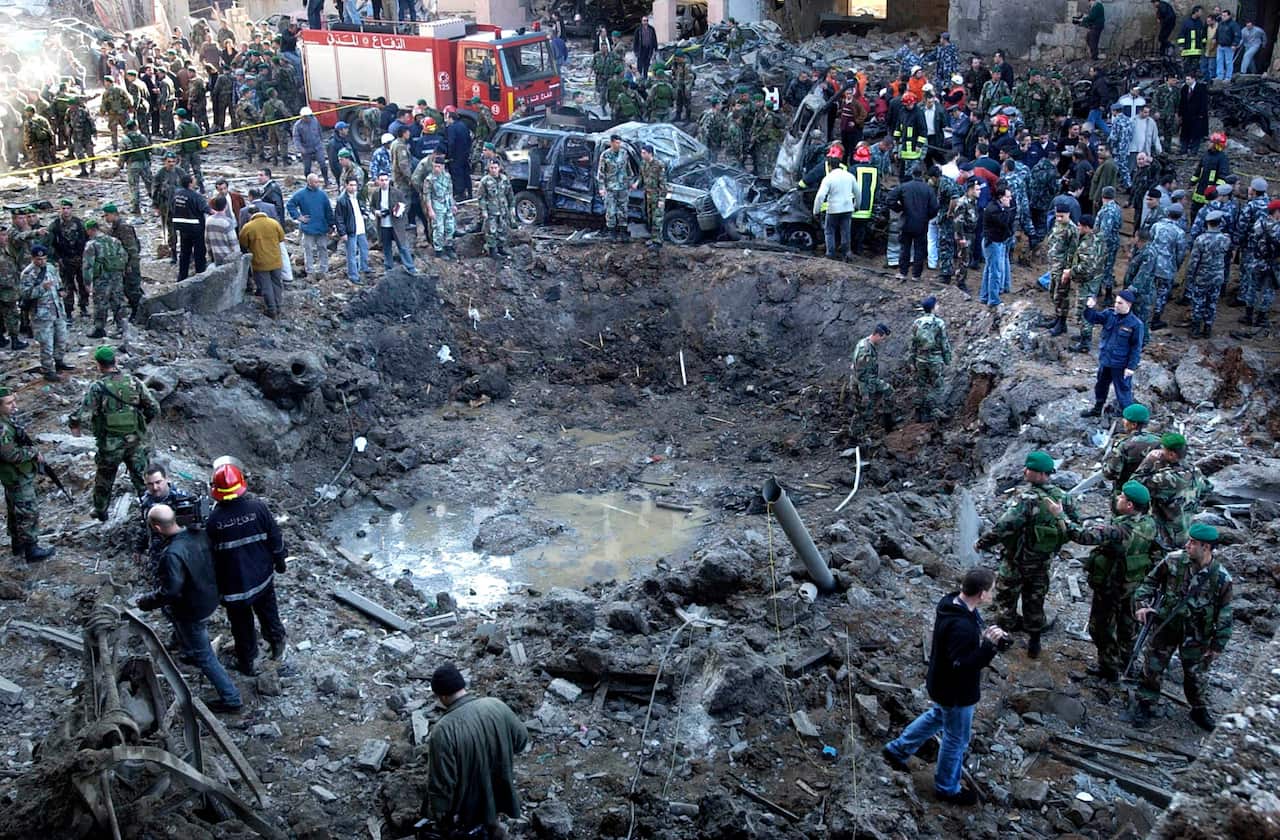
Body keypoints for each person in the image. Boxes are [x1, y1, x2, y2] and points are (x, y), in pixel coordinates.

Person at [881, 567, 1008, 807]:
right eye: (991, 590)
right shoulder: (963, 627)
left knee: (937, 715)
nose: (993, 594)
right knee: (956, 739)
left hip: (941, 684)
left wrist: (988, 640)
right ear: (981, 594)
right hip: (957, 692)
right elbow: (963, 665)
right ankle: (947, 788)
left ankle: (897, 750)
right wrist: (988, 648)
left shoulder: (950, 603)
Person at [136, 503, 243, 713]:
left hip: (192, 610)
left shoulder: (171, 554)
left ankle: (232, 698)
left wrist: (147, 601)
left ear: (156, 529)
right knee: (187, 633)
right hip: (209, 598)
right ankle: (188, 650)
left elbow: (170, 592)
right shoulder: (200, 535)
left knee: (205, 656)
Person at [975, 450, 1080, 657]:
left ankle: (1003, 639)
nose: (1025, 471)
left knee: (1006, 599)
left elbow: (1004, 526)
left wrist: (983, 542)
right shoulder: (1063, 497)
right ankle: (1034, 643)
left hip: (1017, 560)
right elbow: (1074, 526)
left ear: (1040, 474)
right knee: (1035, 600)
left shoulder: (1027, 498)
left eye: (1029, 469)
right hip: (1042, 561)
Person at [1131, 522, 1232, 730]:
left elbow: (1225, 612)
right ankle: (1146, 703)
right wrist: (1142, 605)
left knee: (1196, 674)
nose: (1187, 545)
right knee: (1152, 667)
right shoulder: (1173, 561)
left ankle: (1198, 709)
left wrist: (1217, 645)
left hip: (1197, 634)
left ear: (1206, 547)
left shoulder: (1221, 577)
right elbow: (1149, 583)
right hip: (1166, 625)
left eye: (1193, 543)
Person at [1066, 481, 1163, 682]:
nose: (1117, 498)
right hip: (1133, 585)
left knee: (1100, 627)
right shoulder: (1149, 524)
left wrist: (1061, 515)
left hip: (1111, 587)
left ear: (1129, 506)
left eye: (1121, 497)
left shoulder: (1119, 530)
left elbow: (1082, 536)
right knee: (1127, 625)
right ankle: (1126, 661)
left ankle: (1108, 667)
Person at [421, 663, 529, 838]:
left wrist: (440, 815)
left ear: (441, 696)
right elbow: (521, 741)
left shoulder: (443, 730)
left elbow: (442, 783)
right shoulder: (496, 705)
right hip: (499, 792)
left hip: (467, 810)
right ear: (462, 686)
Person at [206, 462, 288, 676]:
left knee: (242, 627)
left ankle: (248, 662)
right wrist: (280, 563)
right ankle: (277, 645)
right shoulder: (258, 508)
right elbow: (276, 539)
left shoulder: (214, 521)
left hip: (235, 589)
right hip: (262, 578)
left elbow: (211, 558)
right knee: (269, 614)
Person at [68, 345, 161, 521]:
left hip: (110, 444)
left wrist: (74, 424)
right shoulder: (134, 382)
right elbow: (153, 407)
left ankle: (101, 511)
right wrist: (141, 424)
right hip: (136, 441)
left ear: (99, 365)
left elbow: (83, 412)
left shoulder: (98, 387)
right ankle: (153, 512)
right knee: (142, 478)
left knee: (105, 478)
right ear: (115, 361)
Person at [0, 386, 54, 562]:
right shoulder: (2, 428)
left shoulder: (6, 420)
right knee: (28, 510)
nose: (14, 405)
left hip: (13, 475)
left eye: (14, 401)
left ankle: (18, 544)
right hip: (15, 474)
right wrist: (32, 453)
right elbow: (11, 455)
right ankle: (31, 549)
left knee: (15, 509)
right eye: (9, 403)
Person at [1132, 433, 1211, 550]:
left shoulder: (1167, 478)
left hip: (1165, 535)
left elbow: (1133, 485)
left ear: (1172, 454)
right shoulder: (1196, 471)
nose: (1160, 451)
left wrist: (1149, 460)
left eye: (1163, 449)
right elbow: (1208, 488)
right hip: (1186, 529)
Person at [1080, 289, 1143, 416]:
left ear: (1128, 305)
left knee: (1123, 391)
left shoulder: (1135, 324)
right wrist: (1089, 308)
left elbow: (1136, 347)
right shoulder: (1109, 314)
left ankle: (1130, 418)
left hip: (1121, 364)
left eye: (1120, 303)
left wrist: (1131, 367)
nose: (1116, 305)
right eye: (1116, 302)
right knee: (1101, 386)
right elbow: (1093, 318)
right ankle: (1097, 409)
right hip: (1106, 360)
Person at [20, 245, 72, 382]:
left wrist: (62, 291)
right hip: (41, 315)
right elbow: (25, 294)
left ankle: (59, 361)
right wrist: (42, 288)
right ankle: (48, 370)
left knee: (61, 339)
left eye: (43, 258)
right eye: (38, 259)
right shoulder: (28, 273)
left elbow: (58, 283)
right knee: (46, 344)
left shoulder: (50, 268)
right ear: (32, 258)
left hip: (57, 310)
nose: (41, 262)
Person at [81, 220, 130, 344]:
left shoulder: (92, 245)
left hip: (101, 278)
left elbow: (87, 265)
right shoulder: (114, 241)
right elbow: (124, 256)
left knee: (100, 303)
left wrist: (87, 282)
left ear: (90, 230)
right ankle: (122, 326)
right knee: (118, 301)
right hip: (116, 277)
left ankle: (99, 328)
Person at [238, 208, 287, 318]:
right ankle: (278, 306)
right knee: (277, 283)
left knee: (266, 286)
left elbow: (243, 243)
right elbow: (281, 238)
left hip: (260, 261)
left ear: (250, 214)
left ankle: (271, 309)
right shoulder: (274, 223)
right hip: (275, 259)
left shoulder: (248, 227)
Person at [46, 199, 89, 324]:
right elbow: (49, 244)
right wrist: (57, 258)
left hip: (80, 259)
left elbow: (86, 239)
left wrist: (85, 256)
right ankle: (69, 311)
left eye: (67, 208)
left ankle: (84, 306)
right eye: (63, 208)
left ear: (71, 209)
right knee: (67, 286)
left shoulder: (79, 223)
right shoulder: (55, 225)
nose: (65, 211)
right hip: (65, 260)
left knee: (82, 284)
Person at [909, 296, 951, 422]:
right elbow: (944, 342)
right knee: (937, 385)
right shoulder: (939, 323)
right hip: (935, 359)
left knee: (921, 385)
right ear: (933, 308)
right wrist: (947, 359)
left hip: (920, 359)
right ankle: (934, 410)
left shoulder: (917, 322)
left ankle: (919, 410)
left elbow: (912, 343)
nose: (938, 307)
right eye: (937, 305)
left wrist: (911, 361)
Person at [849, 323, 894, 442]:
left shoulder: (866, 343)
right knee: (863, 411)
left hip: (869, 380)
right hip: (861, 385)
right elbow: (862, 376)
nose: (883, 341)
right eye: (883, 338)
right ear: (878, 335)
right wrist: (865, 395)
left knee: (888, 390)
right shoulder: (865, 351)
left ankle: (887, 420)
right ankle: (857, 438)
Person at [891, 167, 938, 280]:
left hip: (906, 221)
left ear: (912, 174)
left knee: (905, 248)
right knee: (919, 249)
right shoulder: (928, 189)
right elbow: (935, 207)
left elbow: (890, 199)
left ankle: (903, 272)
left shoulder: (904, 187)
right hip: (922, 223)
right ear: (922, 175)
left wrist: (900, 208)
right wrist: (927, 216)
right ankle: (916, 275)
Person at [1104, 404, 1161, 495]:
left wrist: (1106, 460)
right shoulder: (1160, 441)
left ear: (1134, 425)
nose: (1123, 421)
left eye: (1125, 419)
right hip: (1151, 492)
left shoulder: (1124, 444)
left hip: (1127, 491)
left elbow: (1110, 473)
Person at [287, 173, 336, 279]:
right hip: (308, 227)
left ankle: (324, 270)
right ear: (309, 182)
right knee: (308, 249)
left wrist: (331, 225)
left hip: (322, 227)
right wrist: (298, 217)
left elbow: (328, 210)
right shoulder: (300, 194)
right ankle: (310, 271)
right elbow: (290, 205)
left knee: (323, 248)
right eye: (315, 182)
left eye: (318, 181)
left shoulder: (322, 195)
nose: (318, 184)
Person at [979, 185, 1014, 330]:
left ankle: (985, 296)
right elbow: (1006, 221)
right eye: (1008, 197)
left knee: (990, 269)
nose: (1010, 199)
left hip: (995, 242)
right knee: (995, 271)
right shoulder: (994, 210)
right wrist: (1008, 211)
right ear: (1001, 197)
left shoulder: (996, 208)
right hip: (992, 243)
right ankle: (993, 299)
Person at [367, 172, 416, 273]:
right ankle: (389, 267)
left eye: (386, 180)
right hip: (383, 224)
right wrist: (376, 212)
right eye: (382, 180)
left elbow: (405, 205)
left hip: (396, 224)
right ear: (378, 181)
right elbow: (372, 206)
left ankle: (410, 267)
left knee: (402, 246)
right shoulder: (376, 194)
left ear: (389, 180)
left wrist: (398, 211)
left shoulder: (397, 193)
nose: (384, 182)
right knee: (386, 247)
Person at [814, 151, 858, 260]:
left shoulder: (828, 178)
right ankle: (846, 253)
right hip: (847, 208)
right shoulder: (850, 176)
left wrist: (816, 211)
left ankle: (830, 254)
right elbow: (858, 193)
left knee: (829, 231)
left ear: (829, 166)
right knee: (845, 231)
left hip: (833, 208)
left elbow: (820, 196)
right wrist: (857, 205)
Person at [171, 173, 209, 281]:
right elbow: (206, 209)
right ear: (190, 183)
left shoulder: (176, 194)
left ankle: (182, 277)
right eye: (194, 180)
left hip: (182, 228)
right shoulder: (196, 196)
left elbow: (172, 208)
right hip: (196, 228)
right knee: (199, 252)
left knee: (184, 252)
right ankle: (201, 276)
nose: (195, 181)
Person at [479, 159, 517, 260]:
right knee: (491, 231)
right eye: (491, 168)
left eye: (495, 168)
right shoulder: (485, 181)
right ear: (488, 168)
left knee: (502, 229)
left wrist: (512, 207)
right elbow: (481, 198)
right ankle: (492, 251)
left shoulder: (504, 179)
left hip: (503, 210)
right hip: (491, 210)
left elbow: (510, 194)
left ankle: (501, 248)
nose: (494, 170)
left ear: (499, 168)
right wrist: (484, 211)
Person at [335, 176, 370, 284]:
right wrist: (342, 232)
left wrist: (364, 213)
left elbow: (361, 208)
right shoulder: (342, 200)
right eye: (351, 185)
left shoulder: (357, 196)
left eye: (355, 185)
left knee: (364, 249)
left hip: (360, 228)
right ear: (346, 185)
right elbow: (338, 218)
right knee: (351, 254)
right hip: (351, 230)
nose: (353, 187)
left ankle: (364, 268)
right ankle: (353, 275)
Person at [597, 134, 630, 243]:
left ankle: (623, 232)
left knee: (623, 210)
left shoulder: (624, 153)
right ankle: (612, 233)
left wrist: (631, 182)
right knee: (611, 211)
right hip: (610, 188)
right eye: (616, 142)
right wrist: (601, 188)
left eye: (619, 142)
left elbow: (628, 169)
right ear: (611, 143)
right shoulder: (605, 155)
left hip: (623, 187)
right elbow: (601, 174)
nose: (618, 144)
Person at [634, 144, 667, 249]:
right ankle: (653, 239)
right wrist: (636, 184)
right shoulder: (643, 164)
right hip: (647, 195)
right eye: (642, 153)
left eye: (644, 153)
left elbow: (663, 183)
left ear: (650, 153)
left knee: (657, 220)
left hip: (657, 196)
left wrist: (662, 199)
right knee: (650, 218)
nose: (642, 155)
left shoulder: (659, 165)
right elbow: (641, 177)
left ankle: (658, 243)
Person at [292, 106, 329, 185]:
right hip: (306, 149)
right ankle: (309, 183)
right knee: (307, 168)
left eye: (309, 116)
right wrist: (301, 149)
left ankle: (326, 180)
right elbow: (296, 139)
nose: (308, 119)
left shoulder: (315, 121)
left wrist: (321, 142)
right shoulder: (298, 126)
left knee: (323, 164)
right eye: (306, 117)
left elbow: (319, 131)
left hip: (317, 147)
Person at [1178, 72, 1209, 155]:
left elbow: (1204, 102)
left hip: (1197, 115)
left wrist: (1202, 114)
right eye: (1186, 79)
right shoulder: (1184, 88)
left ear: (1193, 79)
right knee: (1185, 133)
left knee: (1196, 134)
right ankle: (1183, 149)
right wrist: (1180, 113)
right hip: (1186, 115)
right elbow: (1182, 102)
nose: (1187, 81)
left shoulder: (1201, 88)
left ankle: (1194, 150)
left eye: (1188, 79)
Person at [444, 109, 472, 201]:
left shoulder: (451, 128)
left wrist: (449, 155)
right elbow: (469, 139)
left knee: (457, 175)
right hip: (465, 154)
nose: (446, 120)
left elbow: (451, 143)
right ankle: (469, 192)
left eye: (447, 118)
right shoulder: (463, 125)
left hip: (456, 156)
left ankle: (460, 194)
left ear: (451, 118)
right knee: (466, 173)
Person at [205, 196, 239, 266]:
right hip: (229, 258)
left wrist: (210, 254)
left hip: (216, 256)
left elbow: (207, 240)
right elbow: (233, 242)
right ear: (226, 206)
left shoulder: (208, 220)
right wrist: (238, 257)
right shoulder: (227, 222)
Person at [1178, 6, 1208, 74]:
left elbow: (1202, 34)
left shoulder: (1200, 22)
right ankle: (1186, 79)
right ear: (1196, 12)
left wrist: (1204, 44)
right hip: (1187, 49)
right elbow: (1181, 34)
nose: (1201, 14)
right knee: (1186, 66)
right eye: (1200, 12)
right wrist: (1181, 45)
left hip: (1197, 50)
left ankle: (1193, 79)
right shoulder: (1186, 22)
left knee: (1195, 67)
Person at [1214, 9, 1240, 82]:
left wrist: (1234, 44)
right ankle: (1220, 76)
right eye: (1222, 15)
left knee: (1228, 62)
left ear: (1229, 16)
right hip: (1220, 45)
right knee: (1219, 61)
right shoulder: (1221, 24)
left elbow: (1237, 35)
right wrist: (1215, 38)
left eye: (1225, 16)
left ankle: (1228, 77)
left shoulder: (1233, 24)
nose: (1223, 17)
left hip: (1229, 46)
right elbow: (1217, 32)